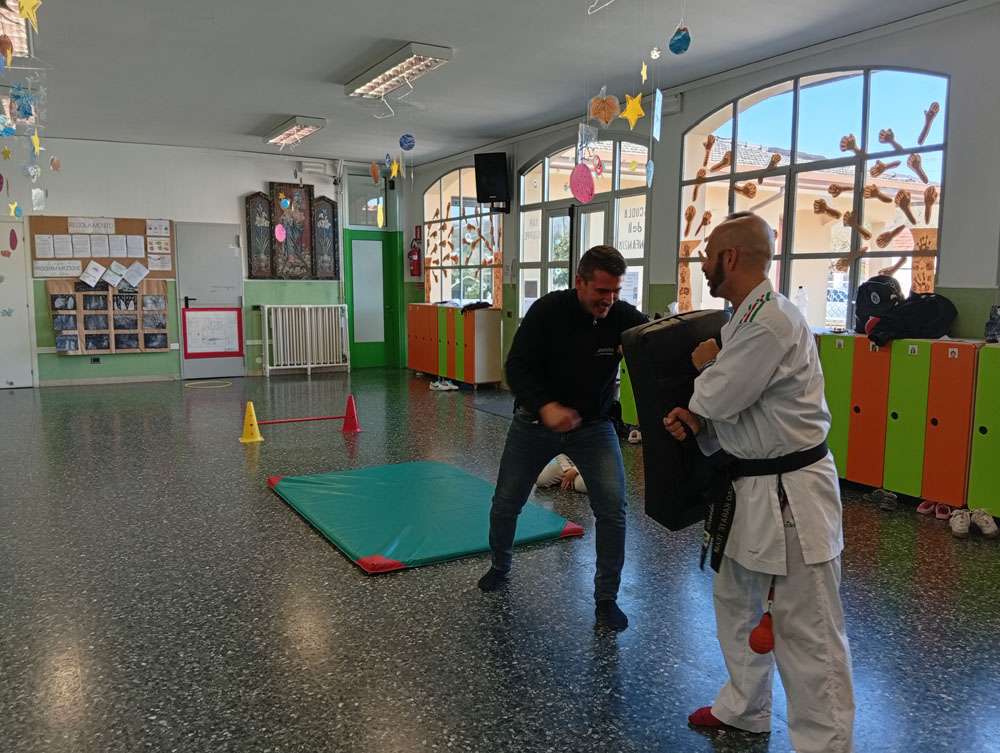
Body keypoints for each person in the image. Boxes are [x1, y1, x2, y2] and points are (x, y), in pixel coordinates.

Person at [663, 213, 855, 752]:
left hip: (792, 493)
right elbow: (732, 406)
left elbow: (719, 394)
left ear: (729, 258)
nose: (703, 265)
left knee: (808, 628)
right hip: (748, 488)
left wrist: (706, 369)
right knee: (734, 599)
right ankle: (744, 709)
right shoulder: (743, 320)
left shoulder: (769, 321)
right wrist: (699, 417)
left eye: (708, 255)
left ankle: (826, 746)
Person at [477, 245, 648, 631]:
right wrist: (546, 407)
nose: (609, 300)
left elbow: (656, 340)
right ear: (579, 282)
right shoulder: (548, 311)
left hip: (593, 427)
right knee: (506, 503)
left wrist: (639, 351)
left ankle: (606, 599)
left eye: (615, 291)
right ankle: (500, 566)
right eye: (601, 291)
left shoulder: (622, 316)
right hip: (533, 424)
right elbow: (515, 367)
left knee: (613, 510)